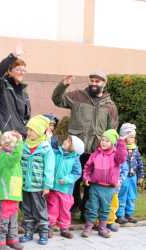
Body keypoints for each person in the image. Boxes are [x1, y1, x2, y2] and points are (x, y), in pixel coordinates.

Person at [51, 72, 119, 218]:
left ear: (104, 83)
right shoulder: (77, 96)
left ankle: (86, 210)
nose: (94, 83)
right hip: (76, 148)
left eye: (98, 81)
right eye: (92, 80)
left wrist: (110, 150)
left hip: (96, 151)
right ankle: (72, 206)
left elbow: (112, 130)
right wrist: (63, 85)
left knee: (92, 182)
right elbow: (57, 100)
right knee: (74, 179)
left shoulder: (110, 106)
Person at [81, 129, 127, 238]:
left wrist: (121, 141)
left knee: (105, 209)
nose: (104, 142)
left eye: (107, 141)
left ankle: (102, 227)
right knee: (92, 207)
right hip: (95, 186)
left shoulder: (116, 156)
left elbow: (122, 156)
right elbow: (88, 167)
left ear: (112, 143)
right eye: (102, 140)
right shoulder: (95, 154)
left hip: (109, 188)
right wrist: (86, 177)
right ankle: (88, 227)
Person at [19, 115, 55, 245]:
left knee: (40, 210)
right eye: (27, 130)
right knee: (26, 210)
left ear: (39, 131)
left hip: (38, 186)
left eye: (31, 130)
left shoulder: (46, 148)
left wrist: (47, 185)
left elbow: (49, 169)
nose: (28, 133)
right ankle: (28, 232)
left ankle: (43, 233)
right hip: (25, 185)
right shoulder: (23, 146)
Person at [47, 134, 84, 239]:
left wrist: (67, 179)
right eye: (66, 139)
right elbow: (49, 148)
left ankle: (64, 228)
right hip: (54, 188)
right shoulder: (56, 153)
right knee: (52, 208)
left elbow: (77, 173)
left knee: (65, 210)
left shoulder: (75, 159)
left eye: (68, 141)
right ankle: (49, 227)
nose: (65, 141)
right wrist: (49, 138)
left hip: (66, 190)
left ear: (73, 148)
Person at [0, 131, 24, 250]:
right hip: (6, 194)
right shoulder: (4, 157)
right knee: (3, 219)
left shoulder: (12, 158)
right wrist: (20, 141)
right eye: (14, 145)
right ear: (6, 145)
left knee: (13, 219)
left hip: (14, 193)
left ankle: (12, 239)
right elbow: (17, 155)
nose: (16, 147)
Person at [0, 44, 31, 137]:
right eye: (18, 70)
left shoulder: (24, 93)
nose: (22, 73)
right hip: (3, 134)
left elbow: (26, 117)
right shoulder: (2, 86)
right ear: (9, 71)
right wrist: (12, 56)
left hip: (18, 137)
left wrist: (23, 132)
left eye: (24, 70)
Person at [116, 123, 144, 224]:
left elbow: (140, 163)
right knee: (122, 196)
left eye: (134, 137)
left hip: (133, 177)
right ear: (124, 137)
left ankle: (129, 214)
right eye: (131, 137)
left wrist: (141, 176)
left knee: (131, 196)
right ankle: (120, 215)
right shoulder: (120, 148)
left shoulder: (135, 149)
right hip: (124, 177)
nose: (133, 139)